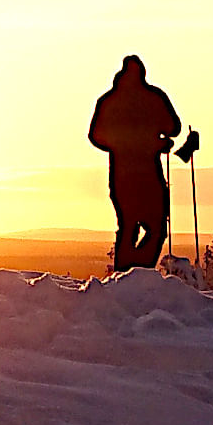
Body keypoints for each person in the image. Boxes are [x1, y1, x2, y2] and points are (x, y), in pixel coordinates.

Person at [87, 55, 184, 272]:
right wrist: (151, 142)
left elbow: (96, 136)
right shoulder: (153, 97)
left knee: (130, 226)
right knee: (155, 228)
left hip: (123, 176)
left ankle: (129, 275)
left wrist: (123, 145)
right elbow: (173, 127)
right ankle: (137, 273)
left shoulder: (109, 100)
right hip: (147, 175)